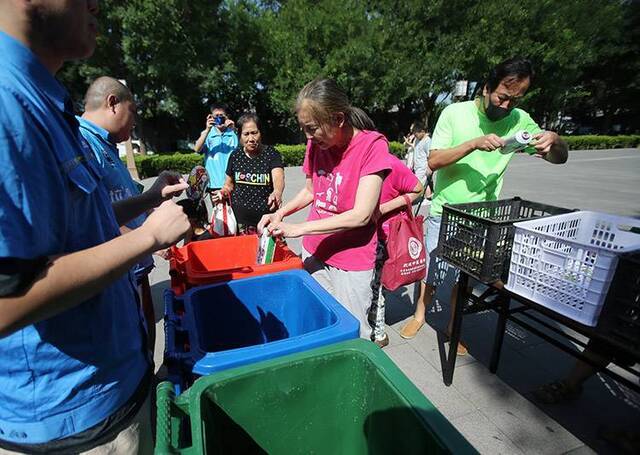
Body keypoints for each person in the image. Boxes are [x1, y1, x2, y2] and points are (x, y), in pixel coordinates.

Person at [0, 2, 190, 453]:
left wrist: (145, 201)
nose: (99, 5)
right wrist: (149, 236)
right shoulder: (8, 101)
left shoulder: (40, 98)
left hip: (107, 395)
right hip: (73, 422)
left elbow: (76, 226)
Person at [399, 58, 568, 349]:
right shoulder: (455, 112)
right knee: (431, 269)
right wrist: (472, 144)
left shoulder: (519, 119)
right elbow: (434, 160)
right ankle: (419, 314)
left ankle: (454, 325)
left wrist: (554, 139)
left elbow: (559, 157)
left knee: (464, 276)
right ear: (487, 87)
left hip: (483, 215)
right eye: (502, 96)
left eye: (515, 100)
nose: (506, 106)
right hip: (445, 209)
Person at [259, 78, 392, 339]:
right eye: (304, 128)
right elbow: (311, 190)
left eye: (312, 128)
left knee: (353, 334)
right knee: (319, 325)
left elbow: (361, 214)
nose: (308, 137)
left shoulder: (372, 146)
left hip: (351, 261)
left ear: (338, 119)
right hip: (316, 251)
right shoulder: (316, 145)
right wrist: (281, 213)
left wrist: (297, 228)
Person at [78, 76, 159, 353]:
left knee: (145, 332)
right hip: (121, 267)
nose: (134, 121)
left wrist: (153, 198)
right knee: (134, 339)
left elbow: (118, 197)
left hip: (135, 261)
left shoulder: (105, 145)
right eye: (133, 110)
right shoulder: (83, 143)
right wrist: (150, 238)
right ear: (113, 103)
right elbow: (96, 217)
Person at [368, 155, 423, 347]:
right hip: (365, 236)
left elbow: (418, 188)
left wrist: (383, 208)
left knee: (377, 286)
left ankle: (379, 332)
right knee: (371, 285)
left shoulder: (390, 163)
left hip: (387, 236)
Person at [211, 113, 285, 233]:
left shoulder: (272, 154)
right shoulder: (235, 156)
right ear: (239, 136)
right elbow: (228, 185)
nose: (251, 139)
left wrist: (277, 192)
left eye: (254, 133)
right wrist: (222, 192)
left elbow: (278, 177)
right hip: (240, 223)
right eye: (246, 134)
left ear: (260, 133)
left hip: (267, 221)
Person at [193, 104, 238, 198]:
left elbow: (245, 150)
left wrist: (234, 129)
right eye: (216, 116)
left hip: (232, 183)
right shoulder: (207, 134)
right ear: (211, 117)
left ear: (227, 117)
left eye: (221, 116)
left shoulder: (233, 133)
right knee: (217, 212)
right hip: (214, 184)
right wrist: (207, 129)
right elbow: (197, 149)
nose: (219, 119)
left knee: (233, 212)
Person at [411, 123, 434, 199]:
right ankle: (428, 197)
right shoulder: (417, 140)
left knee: (417, 183)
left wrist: (429, 167)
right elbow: (416, 152)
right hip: (417, 167)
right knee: (424, 183)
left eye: (416, 133)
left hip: (423, 167)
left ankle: (414, 199)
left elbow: (429, 155)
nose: (415, 135)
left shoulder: (427, 141)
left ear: (422, 131)